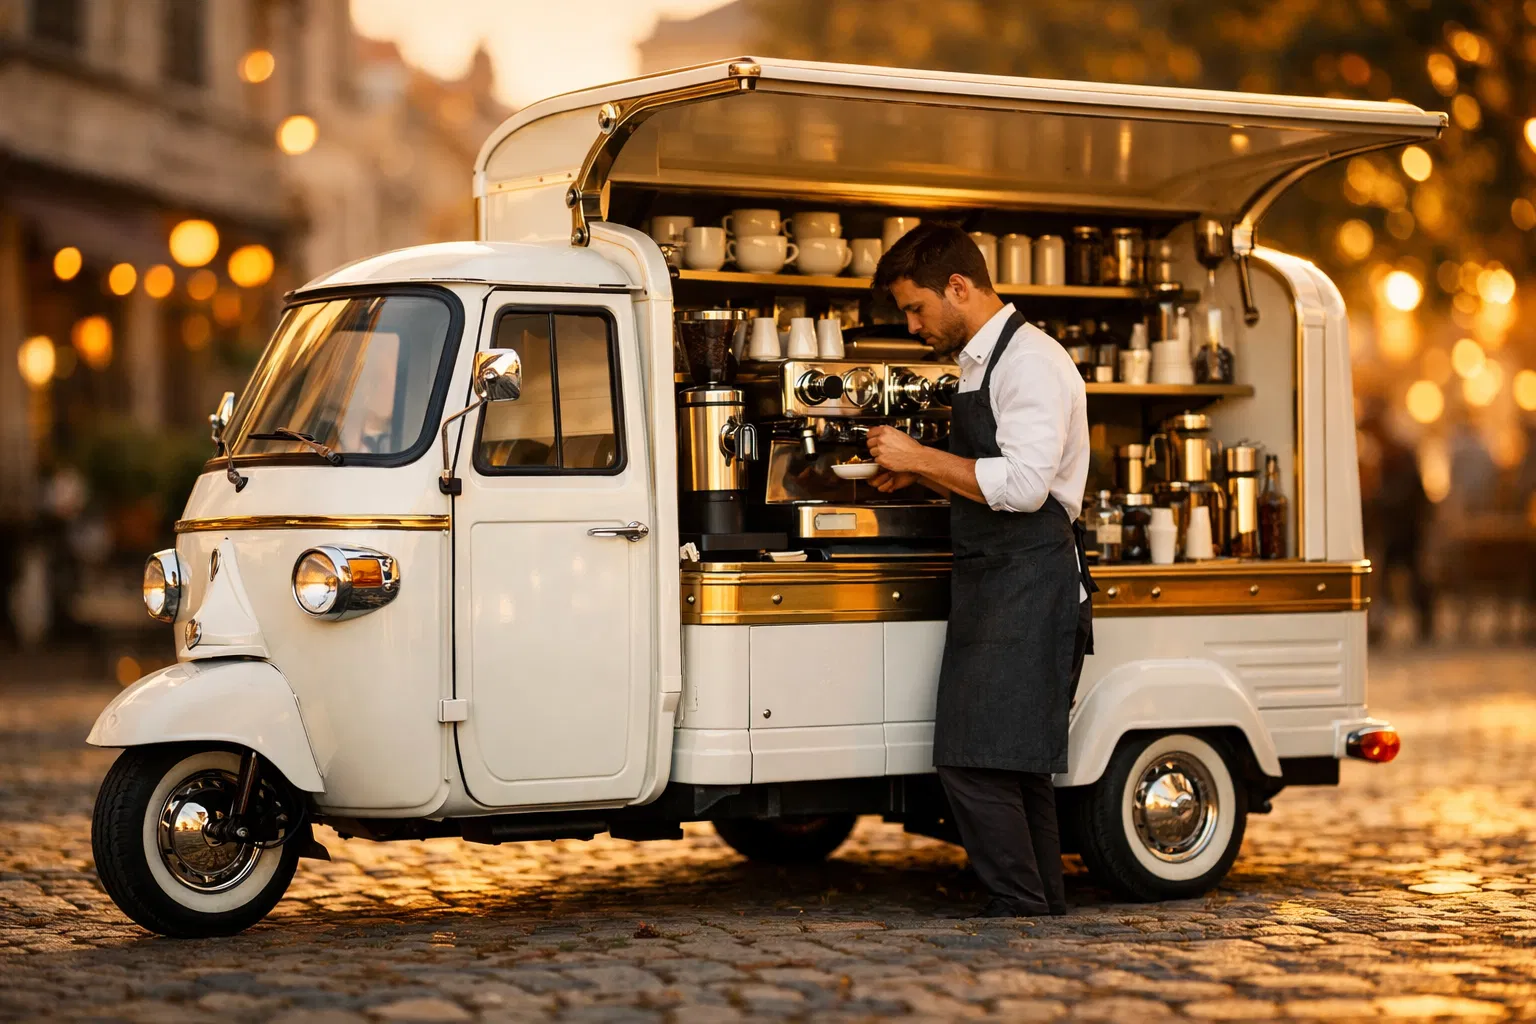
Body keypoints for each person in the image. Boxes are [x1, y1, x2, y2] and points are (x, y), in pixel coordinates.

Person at [865, 223, 1094, 918]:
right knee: (1016, 763)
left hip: (1030, 580)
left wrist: (920, 458)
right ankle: (1037, 901)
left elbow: (1025, 486)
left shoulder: (1030, 362)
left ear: (958, 287)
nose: (912, 325)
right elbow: (998, 472)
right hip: (1000, 578)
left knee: (971, 758)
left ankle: (1017, 900)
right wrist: (926, 479)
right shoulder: (981, 360)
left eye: (916, 308)